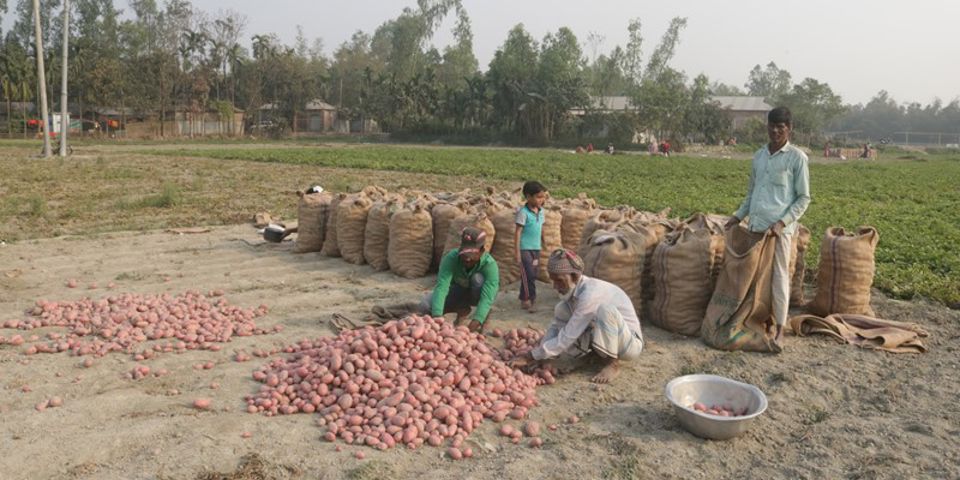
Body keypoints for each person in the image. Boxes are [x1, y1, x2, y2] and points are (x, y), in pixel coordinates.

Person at [724, 106, 811, 344]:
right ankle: (752, 320)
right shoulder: (759, 156)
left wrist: (782, 223)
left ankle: (780, 328)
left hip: (778, 231)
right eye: (772, 126)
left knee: (779, 277)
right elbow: (751, 193)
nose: (775, 131)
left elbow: (803, 198)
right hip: (757, 226)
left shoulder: (797, 158)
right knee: (752, 277)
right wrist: (737, 216)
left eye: (780, 127)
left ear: (789, 129)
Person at [509, 249, 644, 384]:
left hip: (629, 344)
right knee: (561, 309)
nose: (555, 286)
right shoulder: (573, 295)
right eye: (553, 280)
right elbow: (555, 329)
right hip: (610, 334)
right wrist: (540, 356)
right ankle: (594, 356)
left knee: (605, 311)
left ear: (575, 276)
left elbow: (570, 334)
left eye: (560, 280)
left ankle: (613, 364)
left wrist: (530, 356)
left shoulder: (590, 293)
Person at [418, 227, 500, 333]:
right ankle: (462, 308)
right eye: (465, 254)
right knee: (425, 305)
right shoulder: (450, 258)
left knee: (477, 279)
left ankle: (484, 316)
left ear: (481, 251)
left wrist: (475, 322)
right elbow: (442, 287)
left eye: (472, 255)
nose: (467, 259)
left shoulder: (490, 265)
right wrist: (437, 317)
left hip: (477, 295)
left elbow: (487, 298)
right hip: (457, 291)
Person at [515, 181, 547, 312]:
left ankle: (526, 297)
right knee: (527, 274)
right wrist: (517, 252)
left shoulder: (541, 211)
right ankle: (528, 298)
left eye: (543, 197)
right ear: (528, 197)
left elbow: (541, 228)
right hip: (524, 249)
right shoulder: (523, 212)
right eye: (538, 197)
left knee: (533, 274)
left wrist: (544, 243)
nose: (542, 200)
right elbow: (518, 233)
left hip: (536, 248)